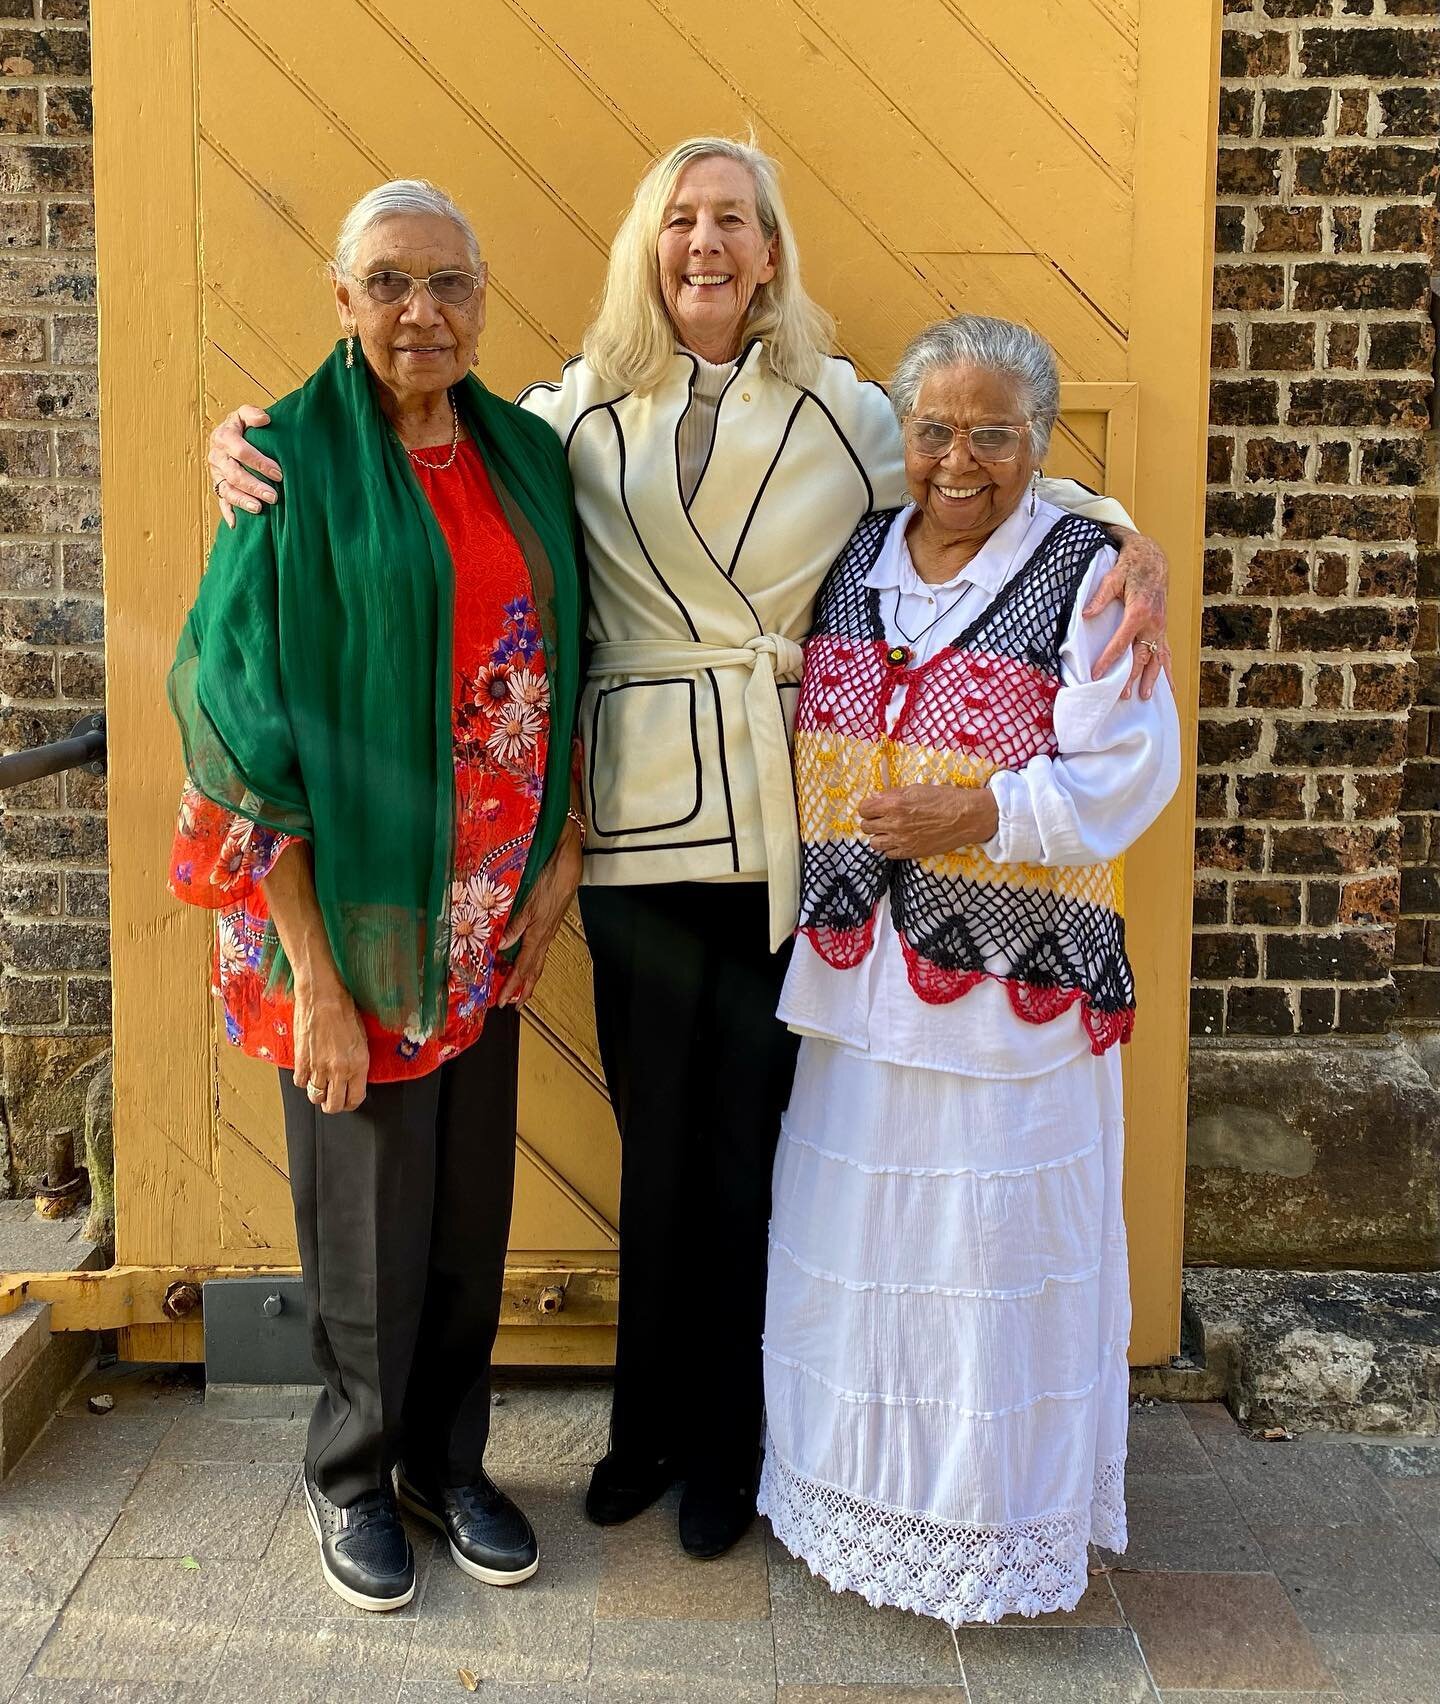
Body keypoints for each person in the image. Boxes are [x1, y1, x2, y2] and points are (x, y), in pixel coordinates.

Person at [206, 136, 1171, 1561]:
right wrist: (232, 440)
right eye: (681, 222)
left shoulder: (844, 409)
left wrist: (1118, 528)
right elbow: (404, 441)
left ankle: (731, 1441)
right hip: (639, 825)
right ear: (645, 253)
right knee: (654, 1144)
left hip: (789, 831)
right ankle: (640, 1426)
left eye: (735, 221)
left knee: (747, 1151)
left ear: (771, 251)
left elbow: (965, 473)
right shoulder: (566, 418)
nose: (707, 244)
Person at [169, 179, 585, 1611]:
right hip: (344, 920)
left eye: (449, 283)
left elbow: (575, 657)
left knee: (465, 1208)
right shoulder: (281, 461)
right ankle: (350, 1472)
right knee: (364, 1218)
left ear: (484, 295)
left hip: (482, 915)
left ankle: (444, 1460)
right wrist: (316, 984)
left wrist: (563, 861)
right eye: (391, 283)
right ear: (343, 302)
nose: (423, 311)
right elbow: (239, 713)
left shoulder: (528, 448)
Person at [760, 314, 1181, 1624]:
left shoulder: (1085, 575)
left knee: (986, 1261)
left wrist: (981, 812)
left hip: (1012, 995)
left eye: (993, 432)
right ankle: (851, 1498)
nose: (959, 459)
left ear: (1037, 443)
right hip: (855, 983)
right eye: (935, 429)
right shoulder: (853, 563)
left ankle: (992, 1526)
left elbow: (1132, 766)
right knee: (862, 1245)